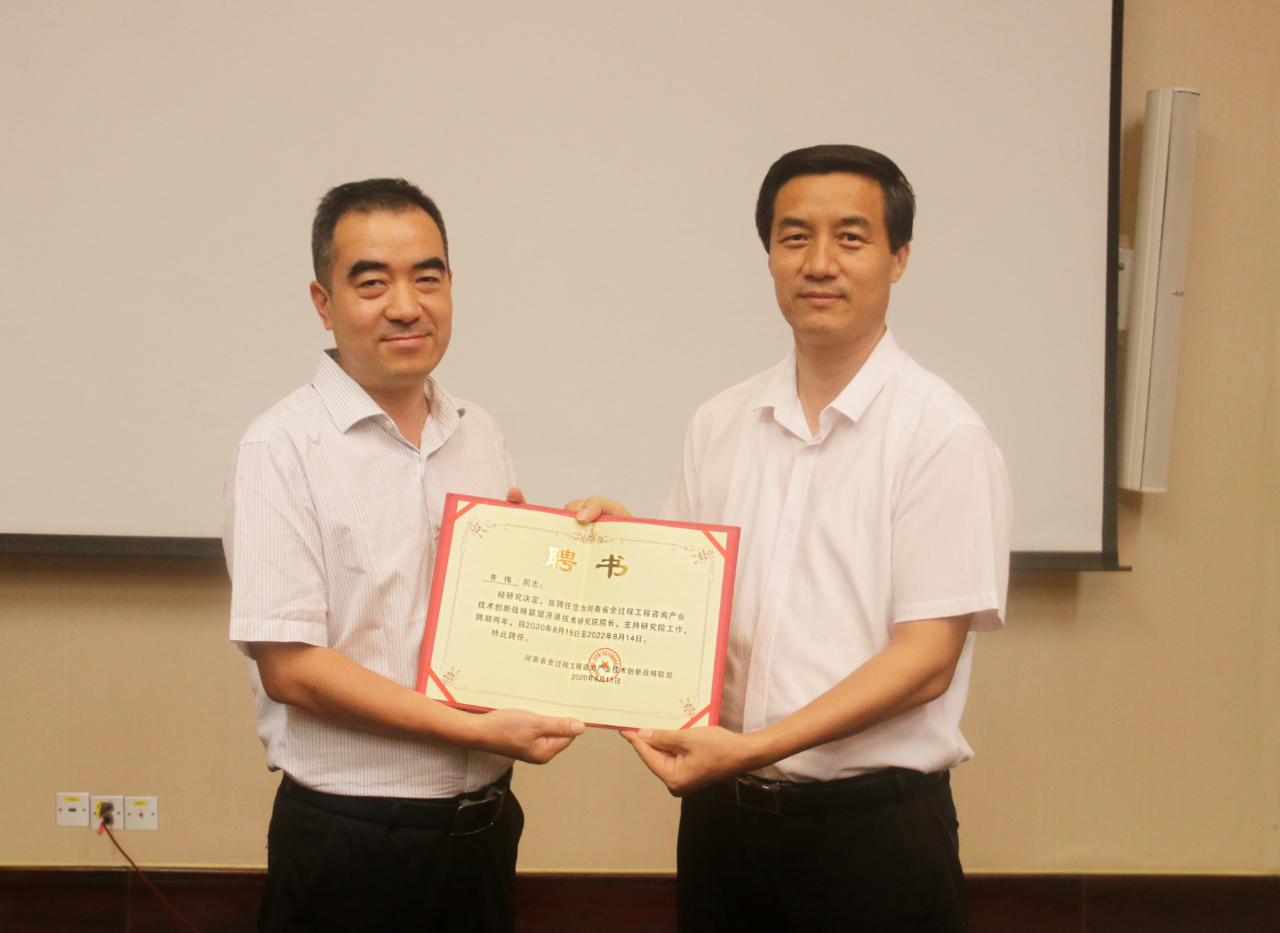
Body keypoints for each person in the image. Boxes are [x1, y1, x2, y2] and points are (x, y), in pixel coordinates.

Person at [574, 145, 1012, 932]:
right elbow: (683, 601)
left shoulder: (941, 435)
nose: (819, 263)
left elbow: (926, 662)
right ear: (770, 255)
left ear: (899, 257)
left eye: (851, 237)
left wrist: (753, 747)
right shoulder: (720, 421)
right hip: (725, 826)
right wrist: (615, 549)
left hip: (872, 835)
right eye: (795, 237)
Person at [223, 178, 585, 932]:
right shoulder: (280, 446)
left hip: (484, 827)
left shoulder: (477, 430)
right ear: (324, 302)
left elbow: (504, 615)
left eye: (428, 277)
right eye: (372, 282)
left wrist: (589, 546)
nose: (406, 305)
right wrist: (476, 730)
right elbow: (291, 669)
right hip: (352, 838)